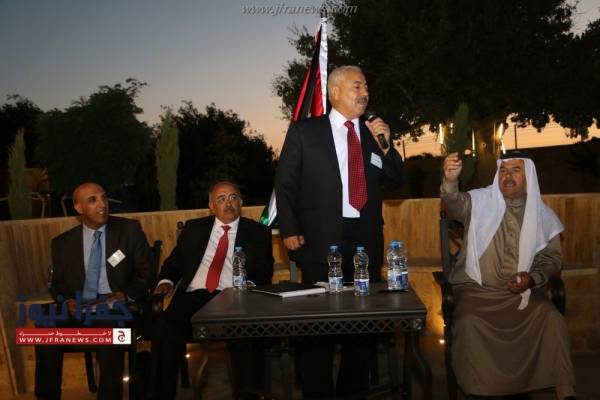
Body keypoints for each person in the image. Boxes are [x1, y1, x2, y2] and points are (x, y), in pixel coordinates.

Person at [275, 65, 404, 398]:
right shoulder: (306, 131)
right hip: (320, 240)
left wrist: (387, 147)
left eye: (366, 87)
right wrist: (289, 227)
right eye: (357, 86)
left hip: (365, 241)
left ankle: (352, 392)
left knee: (361, 328)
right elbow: (285, 183)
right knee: (318, 327)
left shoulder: (374, 135)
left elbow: (396, 180)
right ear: (335, 92)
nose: (365, 93)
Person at [441, 150, 576, 399]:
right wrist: (451, 181)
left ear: (529, 177)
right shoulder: (480, 202)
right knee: (470, 322)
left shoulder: (543, 215)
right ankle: (480, 391)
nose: (508, 176)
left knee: (551, 318)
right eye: (503, 170)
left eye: (515, 170)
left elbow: (551, 260)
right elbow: (454, 203)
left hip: (522, 295)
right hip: (477, 292)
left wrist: (532, 279)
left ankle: (565, 391)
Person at [149, 181, 274, 400]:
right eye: (221, 199)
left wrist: (250, 285)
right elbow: (174, 263)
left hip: (234, 297)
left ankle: (248, 395)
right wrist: (165, 281)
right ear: (211, 206)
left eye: (233, 197)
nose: (229, 203)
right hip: (194, 297)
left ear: (241, 202)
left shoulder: (258, 232)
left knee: (247, 331)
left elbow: (264, 270)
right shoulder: (194, 229)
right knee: (163, 326)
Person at [35, 182, 154, 400]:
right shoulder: (62, 243)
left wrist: (126, 294)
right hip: (80, 306)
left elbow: (146, 272)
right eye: (93, 200)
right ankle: (47, 396)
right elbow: (57, 283)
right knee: (44, 321)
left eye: (104, 198)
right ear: (78, 208)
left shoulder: (128, 230)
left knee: (108, 326)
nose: (102, 204)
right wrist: (67, 301)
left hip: (116, 306)